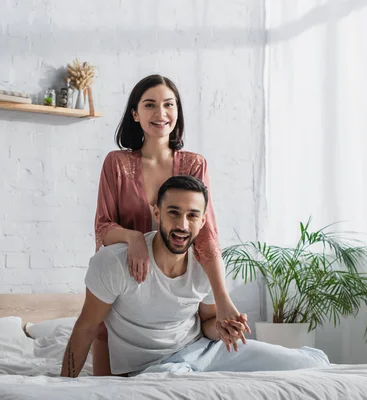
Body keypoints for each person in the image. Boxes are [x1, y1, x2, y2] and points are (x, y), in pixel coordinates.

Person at [61, 176, 330, 378]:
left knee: (312, 364)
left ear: (202, 222)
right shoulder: (114, 264)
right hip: (152, 369)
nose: (182, 225)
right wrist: (63, 388)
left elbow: (206, 324)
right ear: (157, 213)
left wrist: (221, 329)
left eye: (192, 216)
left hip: (204, 352)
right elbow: (84, 329)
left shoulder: (206, 266)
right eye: (173, 213)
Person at [92, 74, 247, 375]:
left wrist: (224, 300)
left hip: (174, 286)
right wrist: (134, 238)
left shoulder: (194, 164)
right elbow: (102, 227)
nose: (160, 113)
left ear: (177, 111)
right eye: (150, 105)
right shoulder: (116, 163)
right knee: (104, 386)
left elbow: (206, 235)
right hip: (127, 285)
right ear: (135, 114)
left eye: (168, 104)